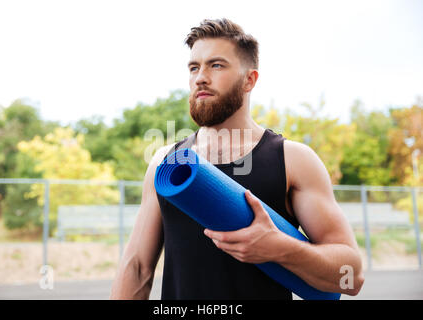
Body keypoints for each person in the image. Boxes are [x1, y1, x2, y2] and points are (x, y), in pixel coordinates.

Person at [110, 18, 364, 300]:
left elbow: (351, 278)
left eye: (216, 65)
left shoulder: (293, 160)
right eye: (194, 67)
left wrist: (281, 247)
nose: (200, 77)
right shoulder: (166, 163)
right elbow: (137, 268)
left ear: (249, 80)